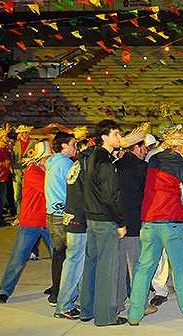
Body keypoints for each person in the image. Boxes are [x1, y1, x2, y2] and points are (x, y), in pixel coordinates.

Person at [127, 126, 183, 325]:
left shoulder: (154, 159)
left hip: (149, 221)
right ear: (182, 147)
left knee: (144, 268)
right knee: (181, 267)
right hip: (172, 222)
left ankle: (134, 313)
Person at [79, 119, 128, 326]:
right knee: (108, 269)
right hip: (105, 220)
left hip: (92, 218)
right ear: (104, 136)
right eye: (115, 134)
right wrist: (121, 222)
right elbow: (111, 195)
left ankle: (87, 309)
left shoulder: (92, 157)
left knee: (91, 265)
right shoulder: (105, 161)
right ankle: (106, 316)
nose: (119, 138)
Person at [0, 141, 54, 303]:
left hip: (48, 220)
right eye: (47, 157)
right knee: (18, 258)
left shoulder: (46, 170)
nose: (49, 160)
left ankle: (58, 286)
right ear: (41, 158)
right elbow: (49, 188)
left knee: (59, 257)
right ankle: (4, 291)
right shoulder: (32, 171)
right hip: (31, 221)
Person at [54, 126, 92, 320]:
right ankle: (64, 304)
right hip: (78, 220)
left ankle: (72, 301)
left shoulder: (74, 164)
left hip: (70, 218)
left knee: (75, 261)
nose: (75, 148)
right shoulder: (80, 166)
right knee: (74, 263)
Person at [114, 123, 150, 316]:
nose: (145, 152)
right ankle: (140, 305)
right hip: (136, 223)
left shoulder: (115, 166)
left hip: (118, 222)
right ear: (136, 148)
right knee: (138, 266)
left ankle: (118, 303)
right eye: (143, 149)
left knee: (119, 267)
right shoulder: (142, 167)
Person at [45, 131, 77, 306]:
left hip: (52, 214)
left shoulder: (51, 162)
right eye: (73, 144)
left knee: (59, 255)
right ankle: (64, 295)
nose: (75, 147)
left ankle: (56, 292)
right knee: (72, 257)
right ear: (64, 145)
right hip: (64, 215)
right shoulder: (65, 164)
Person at [11, 125, 35, 224]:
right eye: (20, 132)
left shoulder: (34, 143)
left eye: (24, 132)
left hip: (29, 171)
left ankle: (28, 216)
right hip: (17, 171)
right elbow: (11, 157)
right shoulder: (14, 144)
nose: (22, 134)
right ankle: (19, 216)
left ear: (28, 133)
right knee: (17, 196)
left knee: (28, 195)